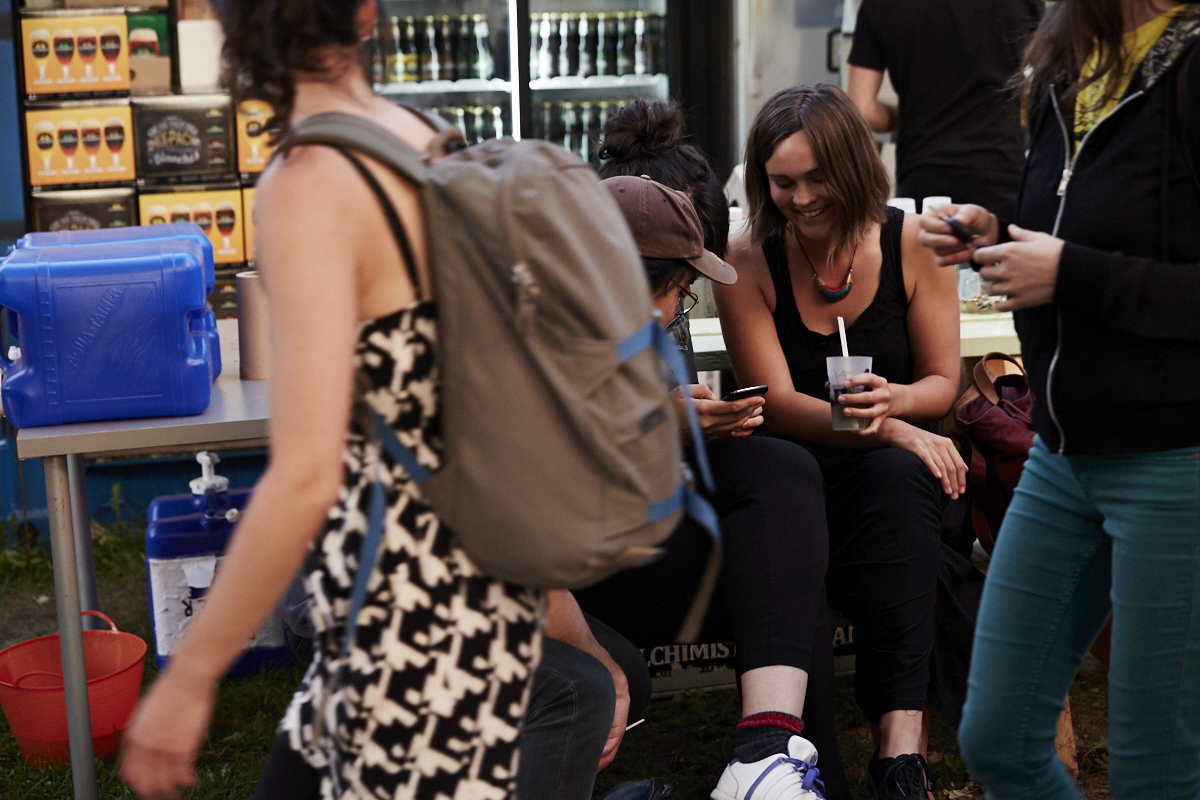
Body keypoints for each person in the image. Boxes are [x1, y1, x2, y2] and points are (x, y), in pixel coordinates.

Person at [118, 1, 543, 798]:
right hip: (474, 587)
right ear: (367, 14)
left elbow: (305, 473)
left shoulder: (307, 183)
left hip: (404, 623)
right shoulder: (424, 139)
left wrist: (188, 677)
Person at [918, 0, 1200, 796]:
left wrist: (1070, 272)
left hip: (1177, 457)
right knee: (999, 738)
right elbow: (1087, 221)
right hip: (1063, 452)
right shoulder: (1068, 62)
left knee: (1158, 769)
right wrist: (995, 233)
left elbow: (1089, 257)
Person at [590, 101, 852, 800]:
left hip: (638, 523)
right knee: (783, 567)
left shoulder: (639, 309)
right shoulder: (548, 332)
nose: (688, 299)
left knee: (781, 494)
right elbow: (539, 500)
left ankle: (772, 759)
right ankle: (776, 766)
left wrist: (682, 426)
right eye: (683, 280)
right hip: (583, 561)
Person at [714, 85, 964, 800]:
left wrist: (898, 404)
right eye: (782, 181)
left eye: (817, 178)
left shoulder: (914, 242)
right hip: (802, 470)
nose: (801, 198)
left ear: (853, 167)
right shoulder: (747, 258)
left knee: (900, 484)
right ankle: (805, 764)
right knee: (794, 499)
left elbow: (944, 380)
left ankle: (900, 749)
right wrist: (893, 427)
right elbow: (778, 404)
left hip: (894, 483)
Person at [845, 0, 1041, 220]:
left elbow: (862, 111)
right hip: (1001, 173)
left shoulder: (880, 6)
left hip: (923, 180)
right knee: (998, 252)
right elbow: (1047, 85)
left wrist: (910, 113)